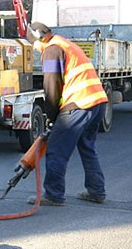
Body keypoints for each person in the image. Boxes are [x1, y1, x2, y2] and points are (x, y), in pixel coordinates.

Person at [26, 22, 108, 206]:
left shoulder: (52, 49)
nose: (37, 49)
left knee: (56, 150)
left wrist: (51, 116)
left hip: (78, 104)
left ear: (40, 37)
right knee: (88, 148)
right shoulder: (63, 43)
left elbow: (52, 86)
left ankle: (53, 195)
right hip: (97, 102)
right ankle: (97, 191)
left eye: (35, 45)